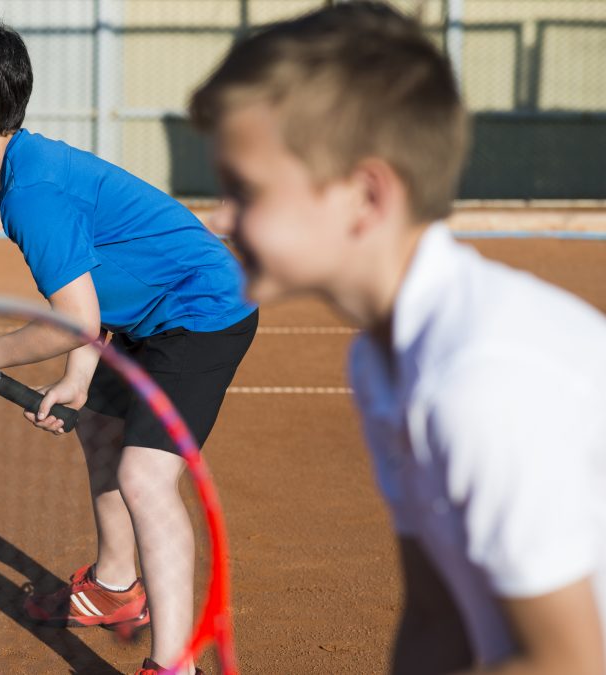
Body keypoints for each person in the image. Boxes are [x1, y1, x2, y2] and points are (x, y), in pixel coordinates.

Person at [190, 2, 606, 673]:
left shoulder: (480, 379)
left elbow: (569, 663)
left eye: (245, 189)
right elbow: (436, 614)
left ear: (366, 197)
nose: (220, 218)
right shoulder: (382, 359)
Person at [0, 15, 258, 674]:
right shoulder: (27, 169)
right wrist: (78, 374)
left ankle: (175, 664)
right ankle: (116, 588)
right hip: (148, 313)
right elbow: (85, 316)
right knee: (97, 426)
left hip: (202, 311)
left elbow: (75, 322)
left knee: (145, 475)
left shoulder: (33, 192)